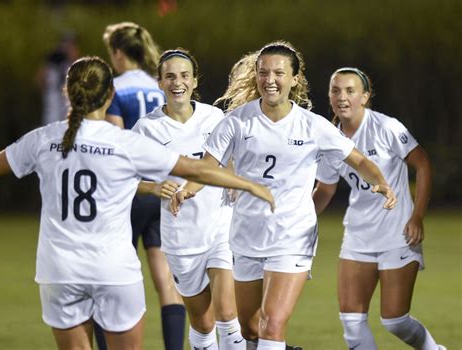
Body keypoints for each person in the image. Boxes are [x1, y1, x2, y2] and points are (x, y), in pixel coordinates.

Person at [0, 56, 274, 350]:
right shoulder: (126, 143)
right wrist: (250, 184)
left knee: (224, 313)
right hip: (113, 268)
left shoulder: (41, 139)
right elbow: (197, 168)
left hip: (59, 270)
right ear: (110, 95)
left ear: (67, 92)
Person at [173, 41, 396, 350]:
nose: (270, 79)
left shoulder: (311, 125)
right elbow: (207, 167)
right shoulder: (237, 122)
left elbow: (357, 159)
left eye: (279, 72)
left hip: (292, 236)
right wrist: (187, 189)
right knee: (251, 329)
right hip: (246, 234)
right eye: (263, 72)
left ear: (294, 78)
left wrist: (381, 182)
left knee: (272, 324)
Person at [312, 67, 446, 350]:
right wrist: (299, 218)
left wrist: (417, 216)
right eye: (336, 90)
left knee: (395, 321)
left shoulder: (387, 127)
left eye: (350, 91)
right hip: (358, 236)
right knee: (351, 321)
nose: (342, 97)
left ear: (365, 97)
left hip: (397, 233)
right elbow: (325, 190)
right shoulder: (330, 140)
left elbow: (423, 164)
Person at [133, 48, 245, 350]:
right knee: (203, 323)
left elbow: (231, 157)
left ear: (195, 81)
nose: (177, 82)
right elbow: (121, 179)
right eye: (169, 76)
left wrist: (232, 176)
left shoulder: (214, 117)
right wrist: (154, 188)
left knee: (227, 314)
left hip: (221, 227)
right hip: (181, 237)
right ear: (160, 82)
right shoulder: (147, 129)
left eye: (184, 75)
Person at [102, 22, 186, 350]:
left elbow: (114, 144)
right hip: (163, 188)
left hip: (130, 192)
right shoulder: (160, 84)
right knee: (166, 281)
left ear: (119, 54)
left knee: (110, 278)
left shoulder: (111, 88)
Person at [35, 32, 80, 125]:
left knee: (68, 123)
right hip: (53, 98)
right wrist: (46, 92)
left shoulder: (73, 62)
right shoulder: (52, 61)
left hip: (68, 99)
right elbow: (39, 78)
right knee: (51, 122)